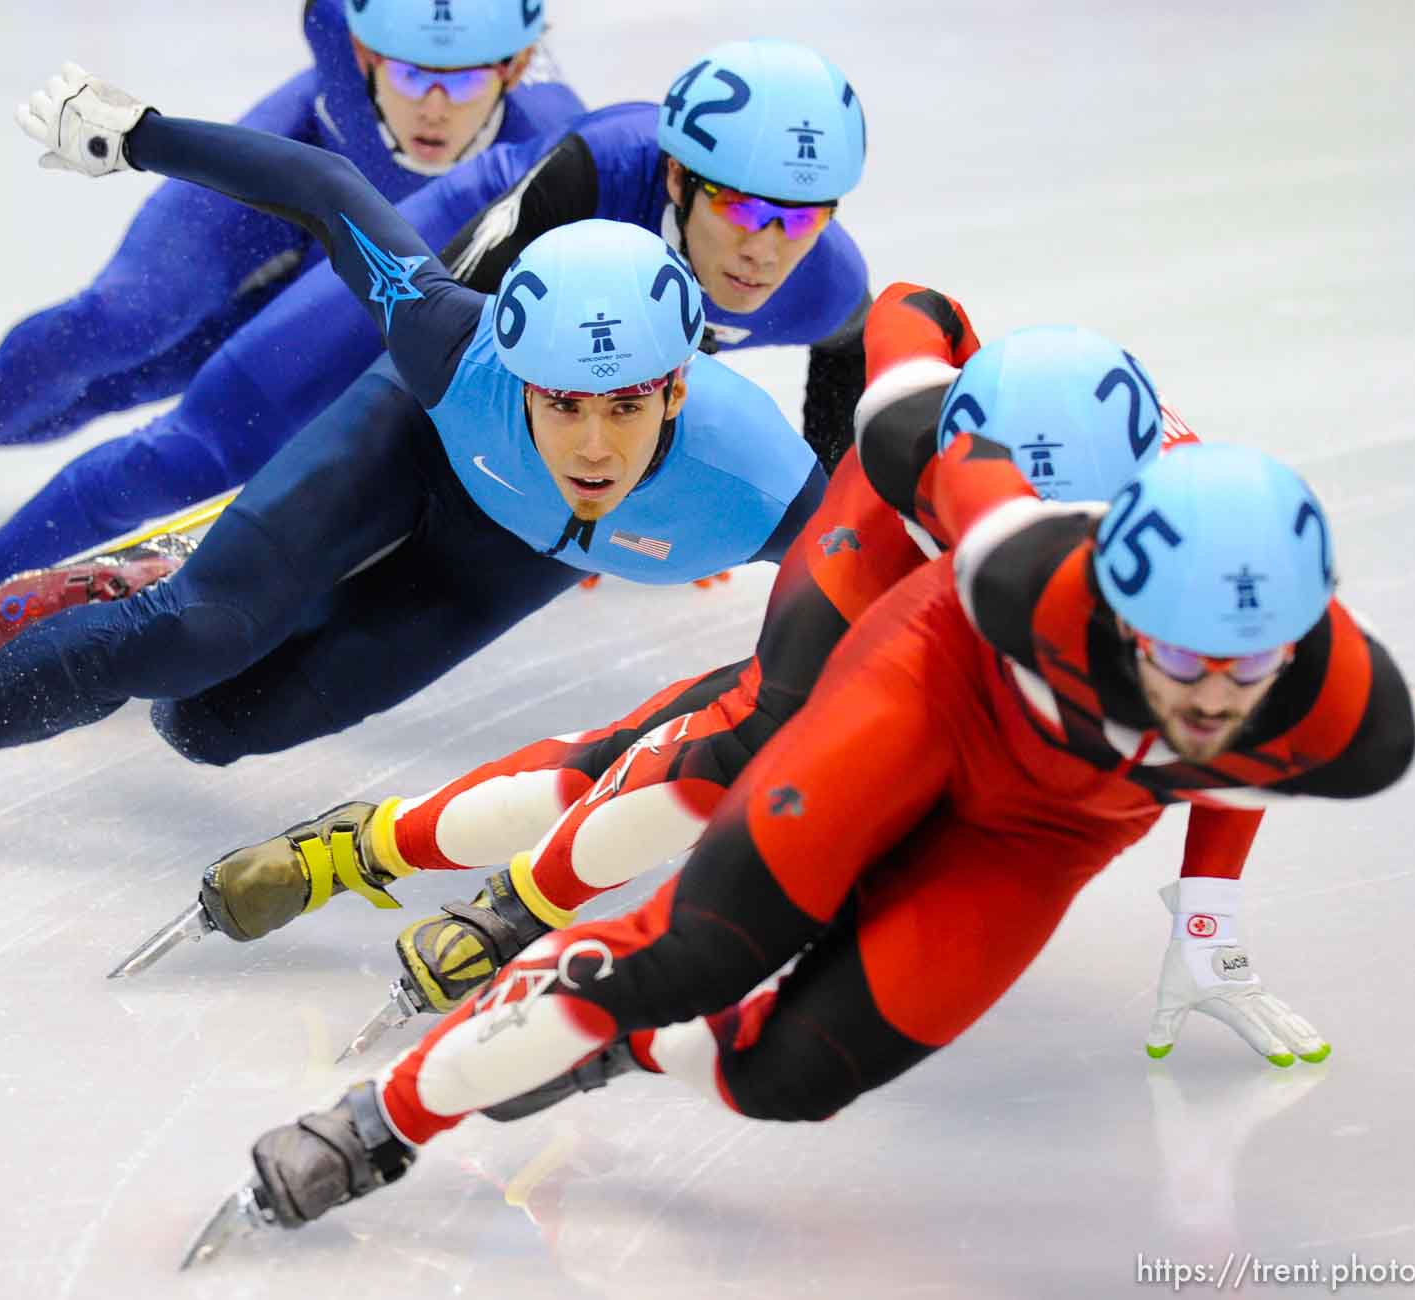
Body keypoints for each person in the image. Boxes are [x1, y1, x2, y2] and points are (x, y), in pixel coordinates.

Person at [184, 348, 1415, 1252]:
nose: (1204, 697)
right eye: (1171, 656)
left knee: (794, 1076)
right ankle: (384, 1109)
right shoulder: (1007, 555)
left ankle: (625, 1039)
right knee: (697, 869)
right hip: (919, 679)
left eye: (1242, 670)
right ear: (1101, 578)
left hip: (1045, 822)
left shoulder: (1343, 720)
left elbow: (1236, 761)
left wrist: (1205, 914)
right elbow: (900, 389)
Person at [122, 284, 1322, 1079]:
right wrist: (523, 909)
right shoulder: (910, 478)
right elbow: (911, 313)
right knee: (713, 755)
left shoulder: (1212, 539)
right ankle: (375, 850)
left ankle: (446, 878)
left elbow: (1244, 723)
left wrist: (1206, 915)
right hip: (879, 611)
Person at [0, 65, 841, 858]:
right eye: (557, 404)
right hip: (412, 441)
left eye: (626, 408)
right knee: (192, 636)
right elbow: (328, 190)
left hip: (503, 557)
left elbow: (900, 575)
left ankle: (142, 586)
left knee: (215, 725)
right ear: (507, 365)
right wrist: (139, 135)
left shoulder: (756, 481)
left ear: (679, 390)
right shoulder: (447, 343)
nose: (595, 447)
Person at [0, 35, 874, 649]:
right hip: (432, 283)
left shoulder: (825, 284)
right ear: (680, 181)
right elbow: (444, 320)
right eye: (740, 209)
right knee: (204, 446)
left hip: (547, 386)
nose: (763, 248)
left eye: (798, 218)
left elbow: (837, 394)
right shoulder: (591, 168)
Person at [0, 0, 576, 530]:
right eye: (407, 71)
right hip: (287, 160)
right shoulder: (331, 22)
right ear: (358, 52)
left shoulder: (551, 144)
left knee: (152, 384)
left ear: (516, 67)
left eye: (464, 82)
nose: (432, 104)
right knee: (121, 319)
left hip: (368, 252)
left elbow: (587, 309)